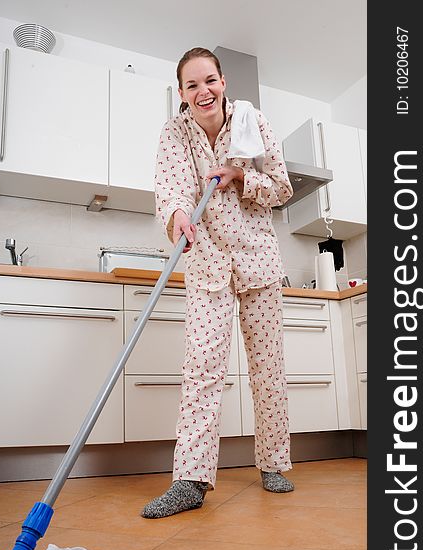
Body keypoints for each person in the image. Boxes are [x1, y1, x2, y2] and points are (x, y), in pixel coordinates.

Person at [141, 47, 294, 519]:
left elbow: (282, 188)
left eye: (209, 80)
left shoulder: (253, 123)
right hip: (208, 262)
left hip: (259, 260)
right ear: (182, 95)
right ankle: (190, 480)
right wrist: (178, 216)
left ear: (224, 82)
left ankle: (274, 463)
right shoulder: (175, 132)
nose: (202, 91)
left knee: (268, 367)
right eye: (192, 85)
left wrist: (240, 176)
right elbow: (169, 189)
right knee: (202, 369)